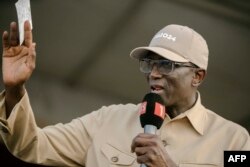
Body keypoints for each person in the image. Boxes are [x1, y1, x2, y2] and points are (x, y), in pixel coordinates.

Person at [0, 20, 249, 167]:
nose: (153, 73)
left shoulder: (235, 141)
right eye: (149, 63)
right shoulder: (107, 120)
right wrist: (14, 89)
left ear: (198, 76)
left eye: (166, 65)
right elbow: (30, 145)